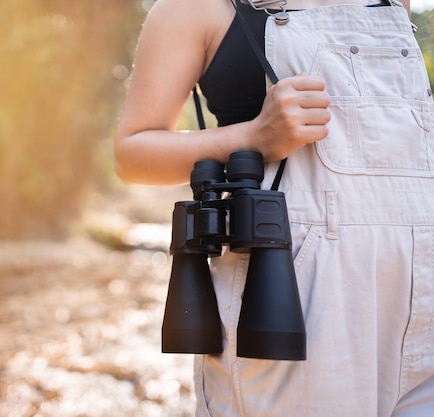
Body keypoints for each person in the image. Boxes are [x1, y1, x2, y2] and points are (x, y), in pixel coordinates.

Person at [114, 0, 434, 415]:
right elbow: (132, 154)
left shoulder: (395, 2)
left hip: (424, 286)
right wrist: (253, 137)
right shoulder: (195, 7)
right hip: (292, 292)